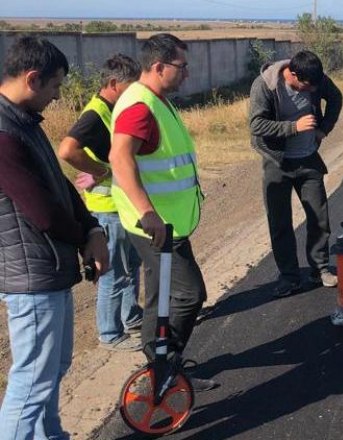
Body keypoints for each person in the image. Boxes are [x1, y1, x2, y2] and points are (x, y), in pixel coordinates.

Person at [0, 36, 109, 440]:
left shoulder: (23, 122)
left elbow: (59, 188)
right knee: (30, 384)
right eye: (55, 86)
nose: (58, 95)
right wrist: (86, 237)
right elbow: (43, 212)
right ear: (32, 79)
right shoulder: (4, 132)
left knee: (51, 371)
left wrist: (93, 226)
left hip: (49, 271)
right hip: (31, 279)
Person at [108, 33, 214, 390]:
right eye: (181, 67)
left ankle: (157, 365)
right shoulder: (140, 105)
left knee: (158, 296)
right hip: (155, 225)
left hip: (166, 223)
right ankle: (165, 369)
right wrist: (147, 212)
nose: (186, 74)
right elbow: (119, 158)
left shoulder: (155, 99)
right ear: (158, 66)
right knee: (189, 294)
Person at [57, 54, 144, 352]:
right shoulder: (95, 114)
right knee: (113, 272)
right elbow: (67, 150)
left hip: (122, 206)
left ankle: (131, 316)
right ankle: (109, 333)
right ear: (112, 83)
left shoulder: (115, 109)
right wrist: (102, 172)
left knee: (131, 265)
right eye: (130, 86)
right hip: (107, 210)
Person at [249, 49, 343, 297]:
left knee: (319, 218)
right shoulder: (265, 86)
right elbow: (256, 125)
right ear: (291, 72)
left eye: (314, 88)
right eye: (305, 87)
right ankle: (289, 276)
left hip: (308, 159)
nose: (310, 92)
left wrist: (324, 129)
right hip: (277, 162)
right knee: (280, 223)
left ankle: (320, 269)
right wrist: (294, 127)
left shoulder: (316, 80)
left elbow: (335, 98)